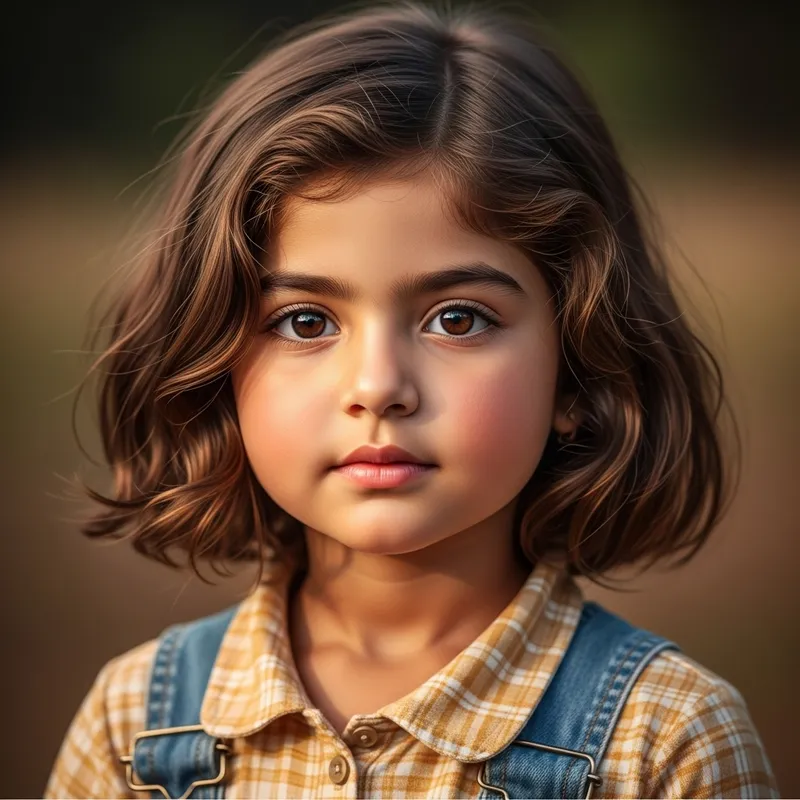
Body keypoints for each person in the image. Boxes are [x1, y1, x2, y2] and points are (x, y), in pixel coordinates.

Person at [45, 2, 779, 797]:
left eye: (456, 319)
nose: (377, 388)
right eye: (305, 321)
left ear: (578, 365)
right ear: (212, 356)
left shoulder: (668, 739)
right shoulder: (135, 726)